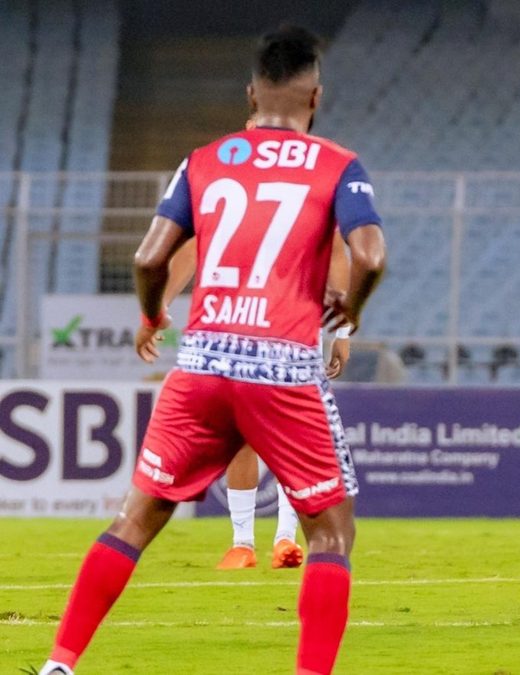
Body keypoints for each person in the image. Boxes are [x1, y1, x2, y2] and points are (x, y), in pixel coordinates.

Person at [38, 26, 387, 675]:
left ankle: (60, 663)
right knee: (332, 531)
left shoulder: (203, 161)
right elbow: (368, 255)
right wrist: (351, 313)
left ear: (251, 93)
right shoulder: (338, 164)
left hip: (200, 364)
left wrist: (152, 314)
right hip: (281, 366)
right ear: (316, 96)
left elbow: (148, 258)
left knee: (136, 517)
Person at [163, 235, 353, 570]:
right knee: (243, 437)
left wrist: (343, 332)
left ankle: (285, 538)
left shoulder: (310, 207)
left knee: (291, 440)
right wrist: (158, 310)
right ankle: (243, 544)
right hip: (241, 329)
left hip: (294, 333)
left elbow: (337, 253)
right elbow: (194, 249)